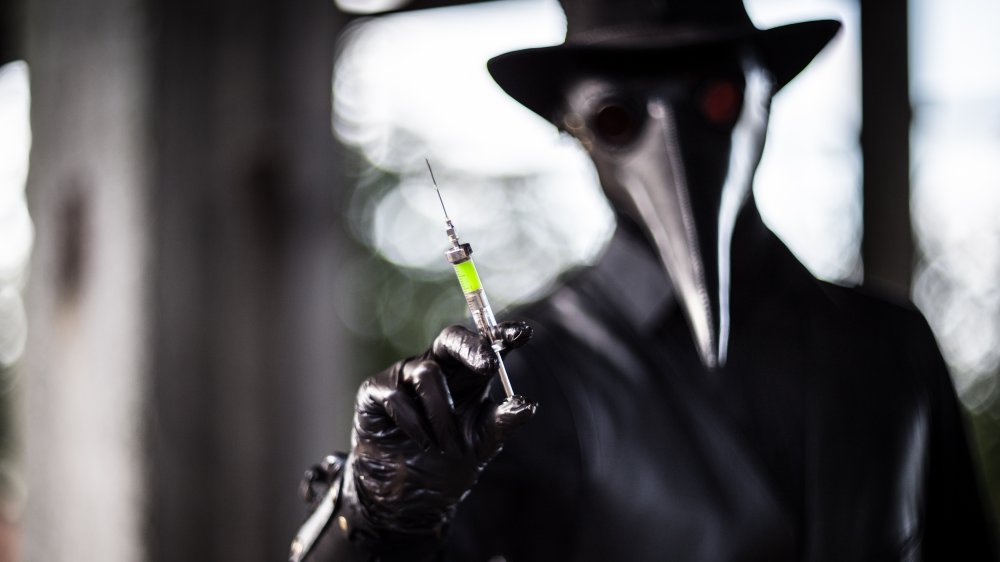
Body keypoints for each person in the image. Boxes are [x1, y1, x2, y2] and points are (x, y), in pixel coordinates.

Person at [305, 0, 999, 559]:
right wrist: (375, 520)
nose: (675, 144)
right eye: (618, 117)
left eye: (717, 98)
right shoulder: (523, 380)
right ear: (570, 127)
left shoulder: (890, 347)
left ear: (766, 99)